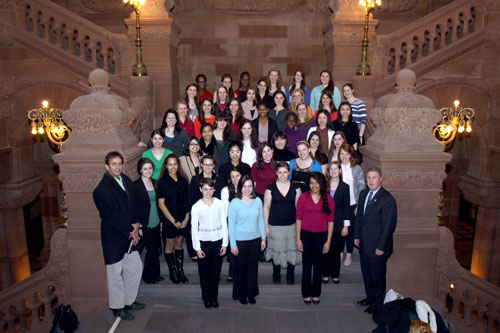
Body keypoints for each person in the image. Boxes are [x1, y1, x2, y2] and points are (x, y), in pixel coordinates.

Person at [93, 151, 144, 321]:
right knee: (115, 274)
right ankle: (117, 307)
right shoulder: (101, 190)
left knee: (135, 267)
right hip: (114, 237)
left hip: (130, 234)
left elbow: (135, 205)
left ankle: (129, 301)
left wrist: (137, 225)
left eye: (119, 163)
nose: (117, 167)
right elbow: (111, 216)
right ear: (107, 167)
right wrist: (132, 230)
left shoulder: (127, 180)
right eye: (113, 164)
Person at [354, 167, 397, 317]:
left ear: (381, 179)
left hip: (378, 246)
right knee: (367, 274)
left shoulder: (387, 199)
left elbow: (388, 226)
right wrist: (356, 236)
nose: (371, 181)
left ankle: (378, 304)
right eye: (368, 178)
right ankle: (370, 298)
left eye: (374, 178)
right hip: (364, 243)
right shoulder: (363, 194)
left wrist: (381, 246)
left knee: (377, 276)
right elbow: (359, 218)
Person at [296, 172, 334, 305]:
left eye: (317, 182)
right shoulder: (303, 197)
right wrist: (298, 239)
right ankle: (306, 293)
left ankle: (316, 293)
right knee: (307, 267)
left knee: (318, 267)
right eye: (311, 183)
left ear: (322, 184)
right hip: (306, 235)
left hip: (322, 236)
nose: (314, 185)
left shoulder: (328, 198)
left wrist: (328, 241)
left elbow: (330, 221)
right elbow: (299, 219)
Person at [228, 175, 266, 305]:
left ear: (253, 187)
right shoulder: (234, 203)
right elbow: (231, 225)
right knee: (240, 269)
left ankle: (251, 293)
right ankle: (241, 294)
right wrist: (233, 244)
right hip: (240, 241)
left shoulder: (257, 201)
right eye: (244, 186)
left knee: (252, 269)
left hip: (255, 240)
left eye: (250, 186)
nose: (247, 189)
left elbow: (261, 220)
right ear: (240, 187)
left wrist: (263, 239)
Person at [191, 178, 228, 309]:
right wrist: (197, 248)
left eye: (211, 189)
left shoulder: (219, 204)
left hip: (218, 241)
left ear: (214, 190)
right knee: (204, 273)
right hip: (203, 242)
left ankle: (214, 297)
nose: (208, 192)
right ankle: (206, 297)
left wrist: (225, 244)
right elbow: (194, 229)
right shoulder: (196, 207)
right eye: (205, 189)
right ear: (201, 189)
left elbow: (224, 224)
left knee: (215, 272)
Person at [263, 162, 302, 285]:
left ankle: (290, 276)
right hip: (274, 226)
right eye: (280, 172)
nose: (282, 175)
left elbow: (299, 209)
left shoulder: (296, 188)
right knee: (277, 251)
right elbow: (266, 208)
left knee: (291, 250)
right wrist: (265, 227)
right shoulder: (270, 188)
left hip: (291, 225)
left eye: (285, 172)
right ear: (276, 173)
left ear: (289, 172)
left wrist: (299, 227)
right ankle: (276, 276)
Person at [157, 154, 190, 284]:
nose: (173, 167)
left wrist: (186, 219)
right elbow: (161, 204)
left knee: (179, 244)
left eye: (175, 164)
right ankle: (173, 272)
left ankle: (180, 270)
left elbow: (187, 201)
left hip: (182, 219)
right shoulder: (163, 182)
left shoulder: (183, 180)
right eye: (170, 164)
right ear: (166, 166)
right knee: (170, 245)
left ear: (178, 165)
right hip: (169, 220)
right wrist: (173, 221)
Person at [132, 158, 163, 285]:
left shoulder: (155, 183)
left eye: (150, 168)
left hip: (156, 220)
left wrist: (161, 221)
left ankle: (155, 274)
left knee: (156, 249)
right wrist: (138, 227)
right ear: (140, 170)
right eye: (145, 169)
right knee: (151, 250)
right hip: (145, 223)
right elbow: (134, 207)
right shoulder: (136, 186)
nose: (148, 171)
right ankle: (148, 276)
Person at [322, 162, 350, 284]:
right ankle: (325, 273)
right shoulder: (324, 185)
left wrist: (346, 225)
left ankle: (335, 274)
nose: (333, 171)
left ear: (339, 170)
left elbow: (346, 207)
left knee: (336, 249)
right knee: (325, 248)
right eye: (331, 169)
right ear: (328, 172)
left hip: (338, 222)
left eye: (335, 169)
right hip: (324, 222)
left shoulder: (345, 187)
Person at [339, 143, 366, 267]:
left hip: (352, 204)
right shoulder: (336, 167)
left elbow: (361, 188)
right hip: (339, 205)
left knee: (350, 230)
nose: (344, 156)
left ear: (351, 155)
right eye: (342, 154)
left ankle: (349, 253)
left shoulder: (356, 168)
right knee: (339, 229)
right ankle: (339, 252)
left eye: (347, 154)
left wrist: (358, 206)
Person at [220, 167, 243, 282]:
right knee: (233, 248)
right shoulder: (225, 190)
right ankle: (232, 272)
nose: (235, 179)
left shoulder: (247, 188)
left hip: (245, 222)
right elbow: (226, 210)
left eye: (237, 176)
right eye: (232, 177)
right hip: (231, 222)